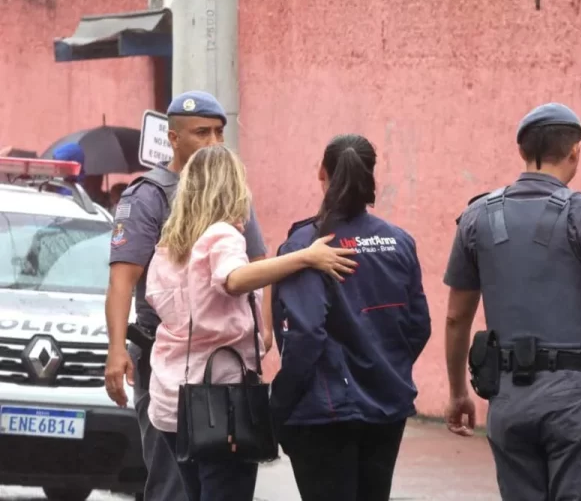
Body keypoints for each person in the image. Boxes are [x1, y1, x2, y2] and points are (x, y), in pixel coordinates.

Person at [443, 103, 581, 501]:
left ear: (522, 152)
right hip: (576, 399)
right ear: (574, 152)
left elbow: (455, 318)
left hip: (507, 398)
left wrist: (457, 393)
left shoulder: (476, 217)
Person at [145, 144, 357, 501]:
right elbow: (234, 278)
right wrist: (306, 257)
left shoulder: (170, 243)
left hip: (170, 400)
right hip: (219, 402)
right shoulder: (222, 235)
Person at [104, 91, 270, 501]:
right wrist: (115, 349)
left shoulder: (226, 188)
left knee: (221, 482)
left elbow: (256, 262)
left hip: (220, 367)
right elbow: (122, 279)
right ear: (173, 139)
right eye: (201, 133)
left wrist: (262, 331)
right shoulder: (150, 195)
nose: (213, 142)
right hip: (167, 360)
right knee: (172, 485)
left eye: (218, 132)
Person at [270, 134, 432, 501]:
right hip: (386, 407)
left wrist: (280, 401)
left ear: (320, 172)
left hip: (323, 412)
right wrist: (386, 367)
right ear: (372, 175)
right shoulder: (399, 241)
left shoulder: (306, 249)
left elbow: (305, 335)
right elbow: (419, 325)